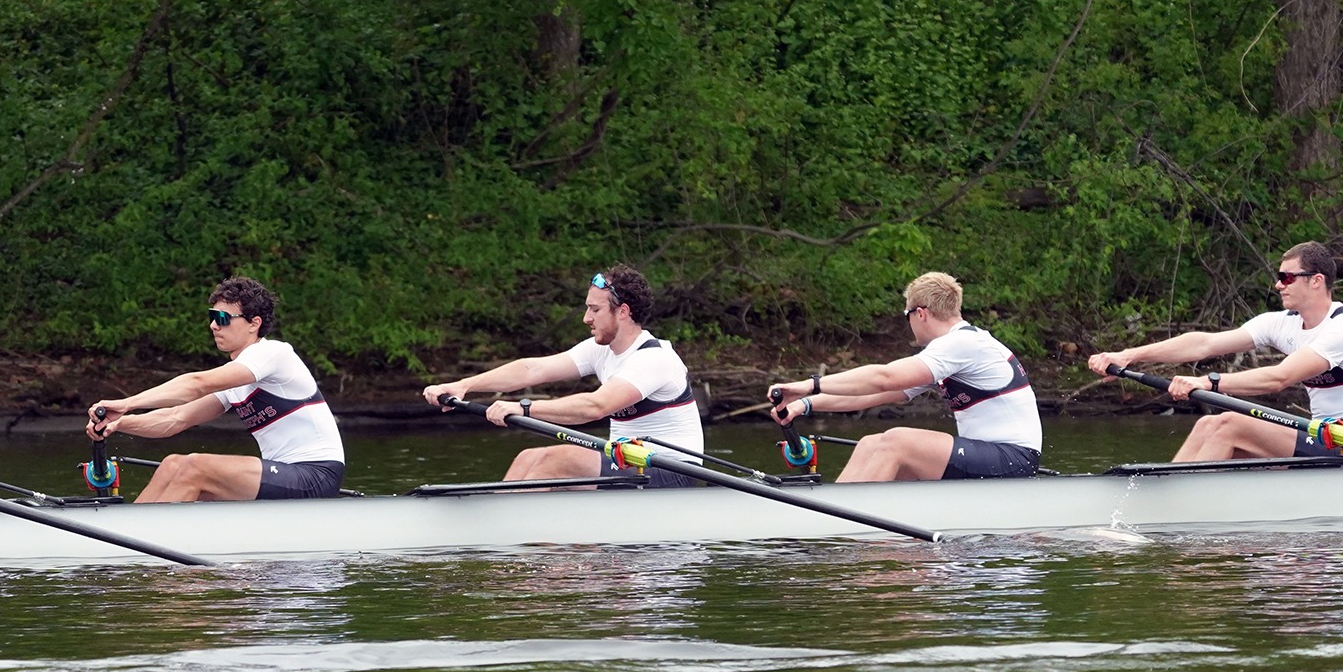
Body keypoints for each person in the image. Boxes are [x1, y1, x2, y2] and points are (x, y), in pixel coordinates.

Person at [1086, 241, 1343, 465]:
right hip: (1322, 438)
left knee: (1228, 424)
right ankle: (1167, 497)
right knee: (1208, 424)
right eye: (1279, 277)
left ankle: (1177, 510)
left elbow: (1279, 378)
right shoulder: (1280, 323)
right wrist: (1128, 355)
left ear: (1316, 280)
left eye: (1287, 277)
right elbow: (1204, 344)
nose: (1278, 284)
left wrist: (1209, 382)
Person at [422, 265, 704, 488]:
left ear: (623, 312)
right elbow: (533, 369)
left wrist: (523, 408)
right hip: (629, 463)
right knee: (527, 457)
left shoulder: (655, 359)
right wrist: (464, 385)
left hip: (673, 472)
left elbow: (595, 406)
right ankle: (502, 531)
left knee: (554, 460)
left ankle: (510, 536)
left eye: (595, 309)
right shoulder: (599, 350)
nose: (586, 318)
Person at [86, 276, 345, 501]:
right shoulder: (236, 379)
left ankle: (143, 535)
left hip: (317, 474)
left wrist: (127, 403)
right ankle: (125, 532)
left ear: (254, 323)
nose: (213, 325)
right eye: (213, 317)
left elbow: (196, 385)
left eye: (222, 318)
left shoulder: (274, 353)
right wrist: (118, 424)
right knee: (172, 464)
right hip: (286, 474)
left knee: (194, 467)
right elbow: (176, 418)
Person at [767, 271, 1042, 481]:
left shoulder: (963, 344)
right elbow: (877, 393)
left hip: (1013, 458)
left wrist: (809, 385)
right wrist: (805, 405)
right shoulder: (953, 351)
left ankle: (846, 519)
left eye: (906, 315)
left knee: (896, 441)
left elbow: (884, 377)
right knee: (870, 443)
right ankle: (830, 513)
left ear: (920, 314)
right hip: (990, 454)